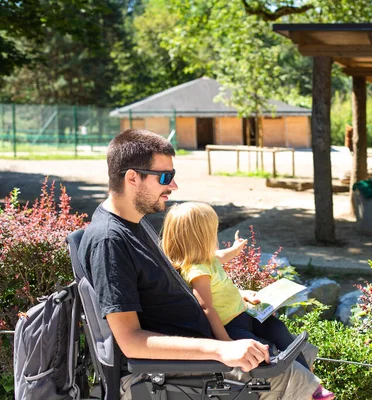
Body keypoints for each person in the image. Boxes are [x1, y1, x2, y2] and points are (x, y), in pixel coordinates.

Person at [78, 128, 321, 400]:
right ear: (132, 177)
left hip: (204, 356)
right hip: (186, 370)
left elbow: (171, 285)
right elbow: (130, 341)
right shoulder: (109, 241)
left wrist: (235, 296)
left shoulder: (135, 225)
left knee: (301, 354)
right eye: (165, 177)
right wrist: (222, 350)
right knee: (300, 382)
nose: (173, 186)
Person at [161, 202, 335, 400]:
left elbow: (224, 257)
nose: (216, 236)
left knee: (279, 330)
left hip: (244, 314)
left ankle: (311, 381)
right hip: (231, 327)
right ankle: (309, 389)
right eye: (213, 231)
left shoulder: (207, 258)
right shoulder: (197, 271)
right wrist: (225, 343)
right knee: (265, 351)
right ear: (201, 237)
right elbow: (206, 307)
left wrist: (237, 250)